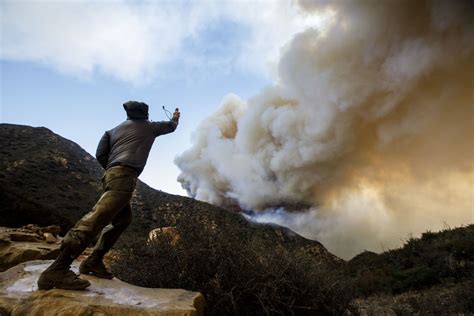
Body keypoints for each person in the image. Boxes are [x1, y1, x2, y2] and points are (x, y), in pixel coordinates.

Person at [38, 101, 180, 290]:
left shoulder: (111, 131)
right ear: (145, 114)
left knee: (123, 220)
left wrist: (114, 169)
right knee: (97, 218)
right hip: (124, 176)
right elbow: (171, 127)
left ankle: (93, 261)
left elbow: (100, 155)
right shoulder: (149, 126)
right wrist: (175, 118)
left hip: (110, 175)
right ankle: (58, 269)